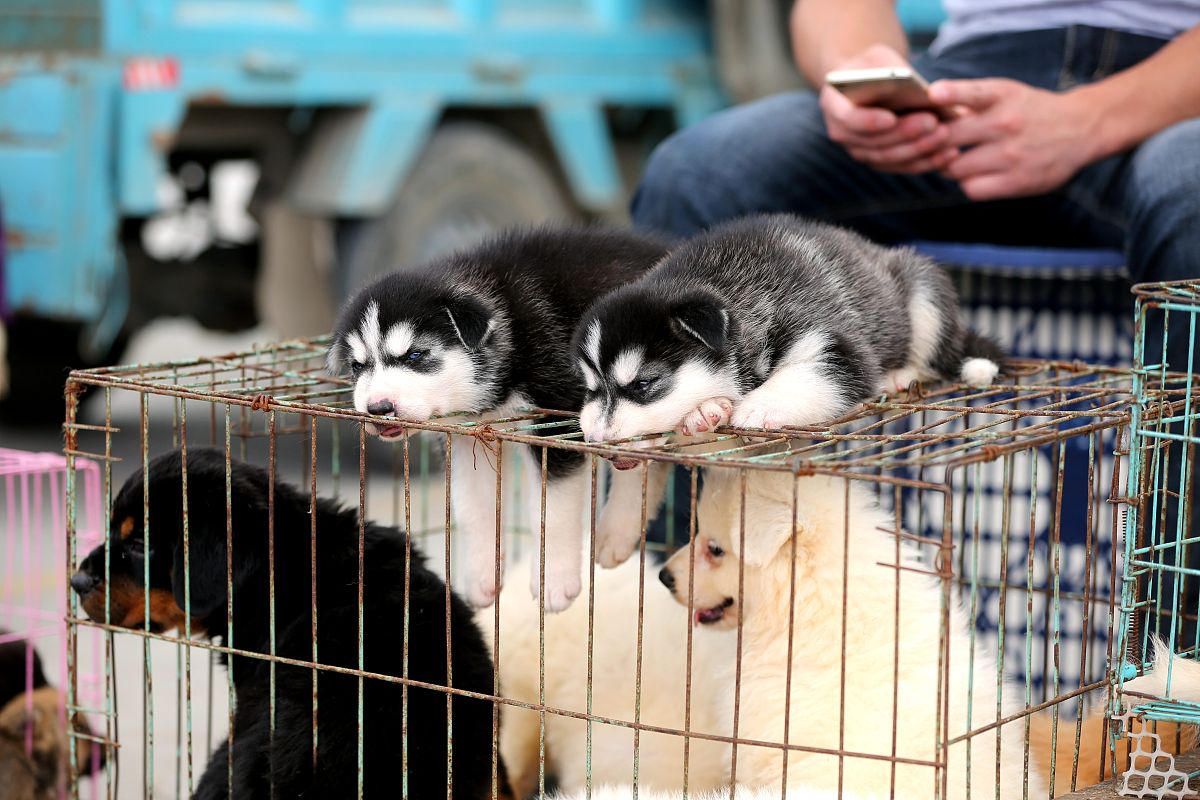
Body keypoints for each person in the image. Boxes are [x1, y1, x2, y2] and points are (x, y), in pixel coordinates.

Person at [632, 0, 1200, 372]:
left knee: (1190, 190)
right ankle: (683, 538)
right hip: (961, 80)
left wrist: (1087, 120)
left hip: (1173, 95)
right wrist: (857, 73)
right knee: (695, 179)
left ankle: (1175, 552)